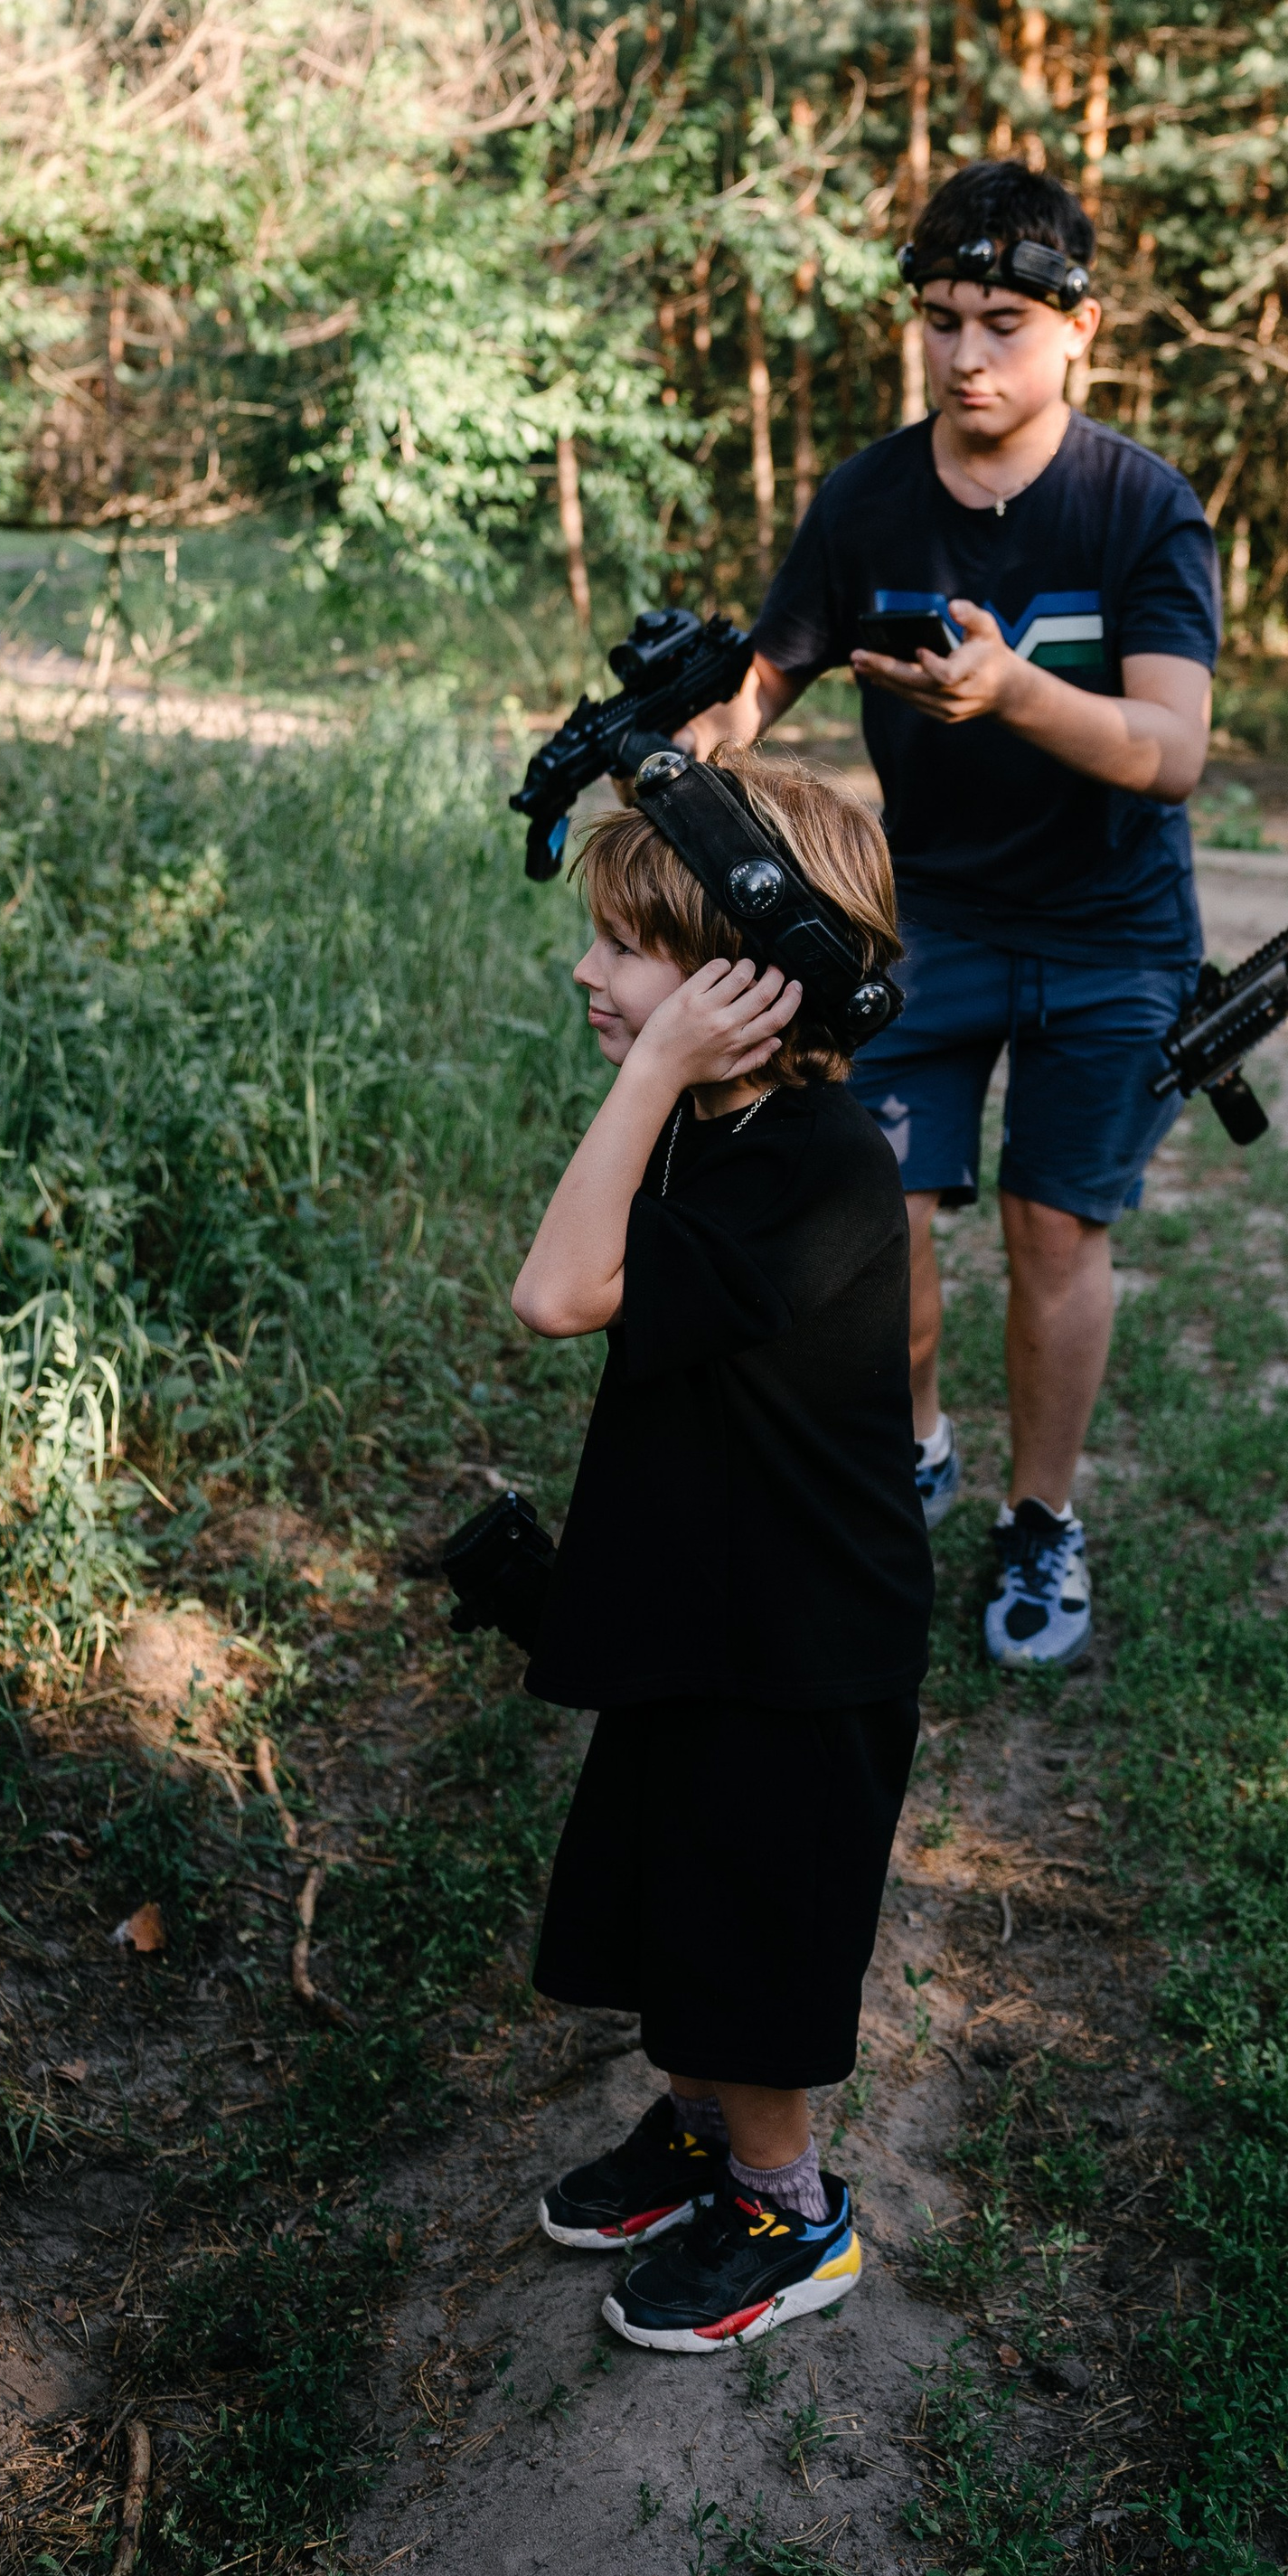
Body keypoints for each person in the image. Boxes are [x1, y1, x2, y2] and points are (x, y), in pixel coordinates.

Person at [679, 159, 1220, 1675]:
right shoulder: (865, 499)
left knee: (1057, 1232)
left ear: (1078, 331)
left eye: (1000, 323)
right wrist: (678, 741)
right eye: (939, 322)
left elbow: (1171, 751)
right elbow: (761, 684)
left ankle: (1042, 1521)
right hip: (934, 925)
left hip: (1116, 936)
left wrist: (1016, 694)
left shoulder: (1142, 508)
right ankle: (913, 1446)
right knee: (884, 1225)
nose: (967, 356)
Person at [512, 751, 932, 2354]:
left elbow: (558, 1297)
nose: (588, 969)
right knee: (675, 1893)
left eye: (626, 948)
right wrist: (663, 1069)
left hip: (801, 1640)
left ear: (746, 983)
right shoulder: (706, 1119)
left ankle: (788, 2206)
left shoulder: (817, 1161)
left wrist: (646, 1074)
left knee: (756, 1929)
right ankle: (700, 2132)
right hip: (702, 1602)